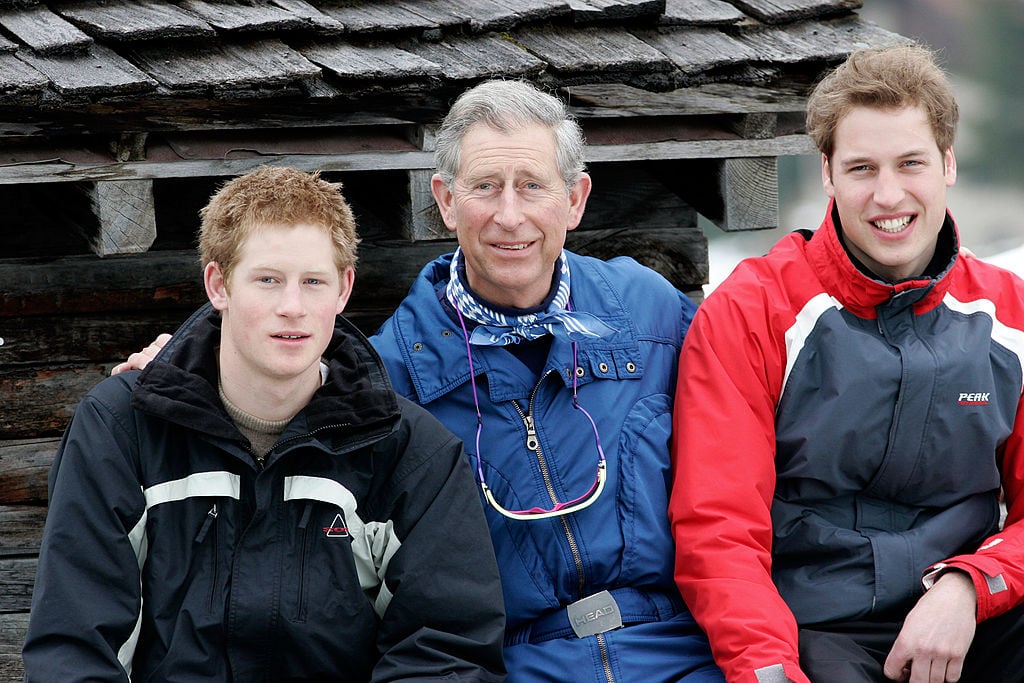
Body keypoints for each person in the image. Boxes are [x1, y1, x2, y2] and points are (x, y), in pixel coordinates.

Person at [112, 80, 724, 682]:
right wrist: (185, 364)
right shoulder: (387, 379)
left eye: (532, 186)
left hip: (679, 651)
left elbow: (759, 375)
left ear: (575, 198)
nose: (509, 216)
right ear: (445, 200)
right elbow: (266, 395)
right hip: (511, 663)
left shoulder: (649, 313)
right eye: (485, 187)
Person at [24, 167, 506, 682]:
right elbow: (75, 645)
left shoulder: (411, 453)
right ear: (219, 284)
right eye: (268, 280)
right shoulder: (122, 429)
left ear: (343, 290)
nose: (292, 308)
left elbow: (445, 651)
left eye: (313, 282)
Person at [669, 44, 1024, 683]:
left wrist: (969, 585)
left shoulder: (1010, 314)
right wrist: (768, 669)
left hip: (969, 611)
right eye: (862, 168)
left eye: (910, 163)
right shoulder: (753, 311)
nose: (888, 195)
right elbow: (718, 531)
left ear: (947, 164)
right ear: (828, 174)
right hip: (813, 627)